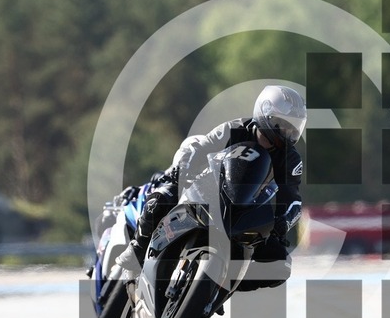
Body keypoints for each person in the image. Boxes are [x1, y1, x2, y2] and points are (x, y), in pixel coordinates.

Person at [116, 85, 307, 291]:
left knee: (280, 266)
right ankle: (137, 249)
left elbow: (293, 201)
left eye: (294, 127)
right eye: (283, 124)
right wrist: (181, 171)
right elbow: (200, 149)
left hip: (247, 212)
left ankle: (219, 287)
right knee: (161, 197)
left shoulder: (291, 159)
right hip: (210, 191)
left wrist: (283, 222)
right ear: (265, 114)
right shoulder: (233, 129)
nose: (289, 132)